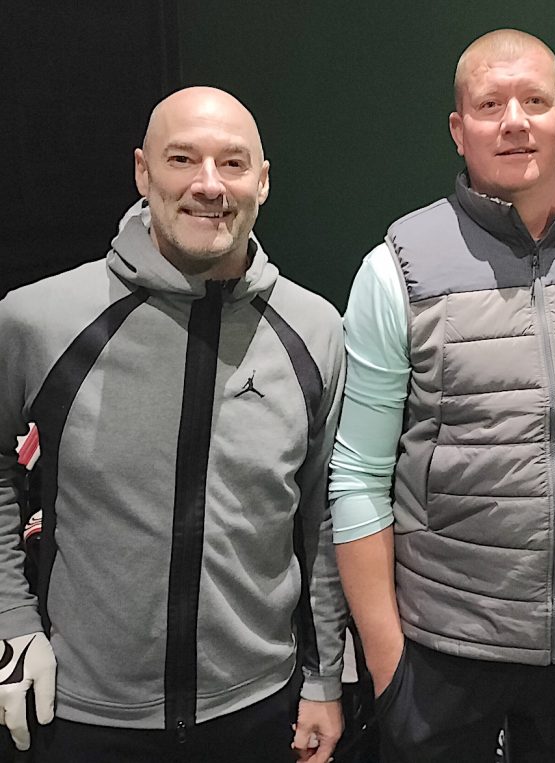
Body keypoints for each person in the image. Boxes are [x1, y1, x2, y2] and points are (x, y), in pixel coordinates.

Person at [330, 28, 555, 762]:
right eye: (490, 104)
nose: (514, 121)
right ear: (458, 129)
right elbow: (358, 475)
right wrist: (388, 666)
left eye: (534, 101)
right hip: (439, 657)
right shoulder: (395, 268)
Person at [0, 86, 347, 763]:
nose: (208, 185)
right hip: (82, 714)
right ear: (143, 171)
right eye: (182, 159)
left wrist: (323, 675)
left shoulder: (314, 330)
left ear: (263, 180)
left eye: (232, 163)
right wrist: (10, 621)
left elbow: (323, 517)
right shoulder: (38, 319)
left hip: (260, 712)